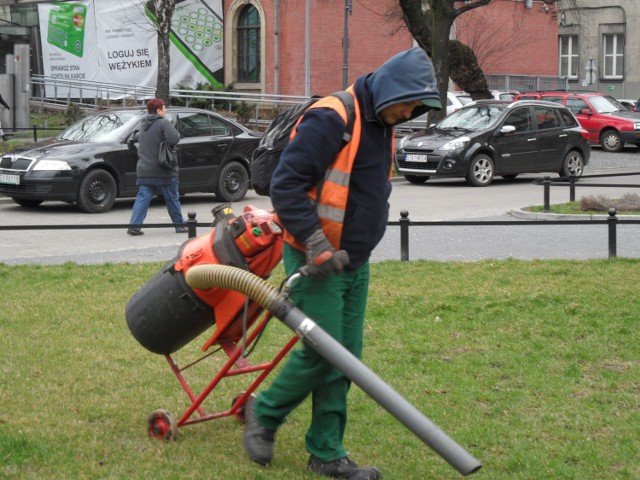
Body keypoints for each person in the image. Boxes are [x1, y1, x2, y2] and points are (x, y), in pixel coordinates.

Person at [243, 47, 442, 479]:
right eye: (410, 103)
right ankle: (266, 413)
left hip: (354, 261)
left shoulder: (382, 120)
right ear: (392, 90)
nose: (411, 114)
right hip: (317, 259)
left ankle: (326, 453)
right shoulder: (332, 116)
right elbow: (286, 184)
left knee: (346, 355)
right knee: (324, 353)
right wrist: (315, 243)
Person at [127, 98, 186, 236]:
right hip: (163, 169)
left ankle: (134, 226)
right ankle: (180, 226)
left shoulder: (143, 124)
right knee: (172, 198)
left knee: (143, 197)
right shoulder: (163, 122)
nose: (165, 110)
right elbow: (174, 139)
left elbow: (135, 139)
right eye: (164, 108)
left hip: (144, 169)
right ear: (158, 110)